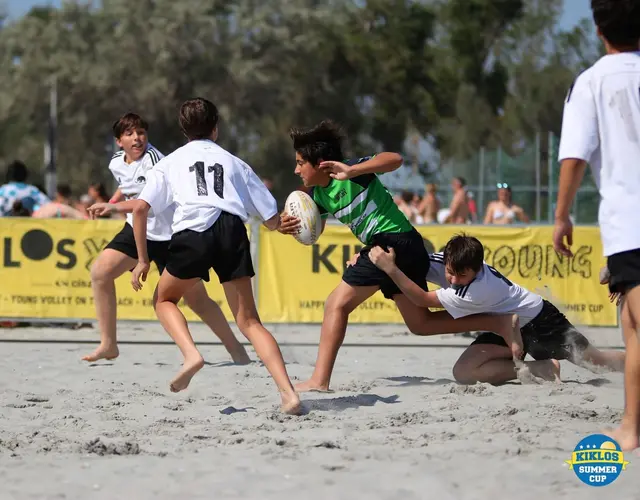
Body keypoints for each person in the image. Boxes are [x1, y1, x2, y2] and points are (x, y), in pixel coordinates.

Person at [278, 121, 521, 393]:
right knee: (420, 324)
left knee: (336, 305)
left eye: (300, 163)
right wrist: (289, 226)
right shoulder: (318, 196)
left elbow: (395, 159)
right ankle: (497, 321)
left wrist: (353, 169)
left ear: (321, 163)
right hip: (401, 244)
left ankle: (319, 380)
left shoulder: (351, 172)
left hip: (393, 242)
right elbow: (314, 234)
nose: (296, 170)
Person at [124, 98, 300, 414]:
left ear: (183, 130)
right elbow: (272, 220)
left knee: (164, 301)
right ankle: (289, 395)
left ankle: (191, 354)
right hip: (232, 229)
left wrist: (142, 259)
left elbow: (140, 208)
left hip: (193, 232)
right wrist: (284, 226)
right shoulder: (236, 163)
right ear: (215, 129)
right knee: (249, 321)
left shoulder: (169, 163)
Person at [84, 112, 249, 366]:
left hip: (171, 233)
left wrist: (112, 208)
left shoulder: (155, 160)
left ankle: (236, 349)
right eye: (129, 134)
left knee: (197, 300)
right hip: (138, 228)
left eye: (141, 132)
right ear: (119, 141)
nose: (137, 138)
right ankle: (108, 344)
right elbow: (129, 185)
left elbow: (142, 204)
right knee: (100, 272)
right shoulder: (117, 161)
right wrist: (114, 200)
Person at [553, 0, 640, 450]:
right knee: (629, 320)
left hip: (632, 223)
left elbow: (574, 157)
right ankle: (631, 424)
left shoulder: (591, 82)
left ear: (598, 26)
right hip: (627, 229)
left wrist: (562, 214)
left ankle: (631, 426)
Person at [368, 234, 625, 385]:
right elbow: (417, 264)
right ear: (446, 260)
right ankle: (545, 368)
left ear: (477, 268)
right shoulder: (454, 264)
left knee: (597, 362)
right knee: (464, 373)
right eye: (450, 272)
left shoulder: (478, 289)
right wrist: (366, 261)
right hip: (507, 323)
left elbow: (423, 300)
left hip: (542, 322)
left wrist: (389, 269)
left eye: (462, 275)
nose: (454, 279)